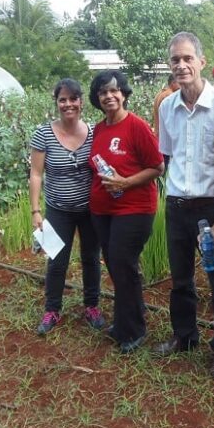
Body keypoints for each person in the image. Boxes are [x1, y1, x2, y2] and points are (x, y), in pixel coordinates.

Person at [155, 32, 214, 377]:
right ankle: (184, 335)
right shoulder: (167, 107)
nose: (181, 65)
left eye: (187, 58)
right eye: (175, 60)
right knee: (180, 279)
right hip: (177, 204)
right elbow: (168, 155)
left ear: (202, 62)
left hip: (213, 207)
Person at [88, 70, 165, 353]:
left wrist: (125, 182)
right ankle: (124, 321)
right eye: (102, 92)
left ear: (123, 94)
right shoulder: (98, 129)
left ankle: (133, 330)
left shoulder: (137, 127)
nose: (108, 96)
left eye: (113, 90)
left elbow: (158, 167)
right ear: (97, 99)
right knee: (116, 266)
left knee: (124, 264)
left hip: (134, 208)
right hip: (102, 210)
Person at [29, 78, 105, 336]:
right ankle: (52, 310)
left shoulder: (95, 132)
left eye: (73, 99)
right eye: (63, 99)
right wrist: (35, 211)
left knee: (91, 259)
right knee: (56, 261)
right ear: (57, 103)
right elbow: (36, 174)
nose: (68, 104)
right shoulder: (44, 134)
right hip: (57, 209)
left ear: (81, 102)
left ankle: (92, 306)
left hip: (89, 209)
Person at [152, 74, 180, 138]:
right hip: (167, 137)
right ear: (173, 83)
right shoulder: (170, 96)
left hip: (159, 135)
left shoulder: (160, 94)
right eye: (180, 83)